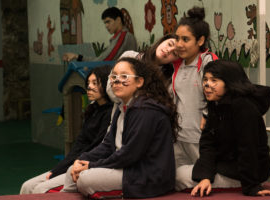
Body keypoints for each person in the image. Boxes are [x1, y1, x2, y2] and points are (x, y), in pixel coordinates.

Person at [61, 57, 179, 198]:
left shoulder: (145, 110)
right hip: (126, 167)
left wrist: (91, 165)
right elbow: (108, 145)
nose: (117, 81)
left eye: (124, 76)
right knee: (72, 170)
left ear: (139, 82)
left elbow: (129, 154)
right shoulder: (122, 106)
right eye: (114, 76)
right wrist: (82, 159)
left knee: (85, 179)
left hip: (146, 176)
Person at [184, 60, 270, 197]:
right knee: (181, 173)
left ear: (229, 83)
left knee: (180, 176)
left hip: (246, 174)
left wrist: (252, 187)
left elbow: (248, 149)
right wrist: (205, 177)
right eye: (205, 80)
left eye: (214, 80)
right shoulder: (217, 105)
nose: (207, 85)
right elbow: (208, 144)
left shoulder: (243, 107)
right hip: (226, 166)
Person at [20, 65, 113, 194]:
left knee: (40, 190)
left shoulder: (111, 113)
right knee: (27, 186)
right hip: (72, 164)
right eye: (88, 83)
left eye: (95, 83)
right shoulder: (93, 110)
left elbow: (95, 148)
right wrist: (57, 169)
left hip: (87, 167)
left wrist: (60, 170)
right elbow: (79, 145)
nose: (89, 87)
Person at [172, 6, 218, 189]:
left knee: (203, 182)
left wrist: (207, 115)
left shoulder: (207, 61)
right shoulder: (178, 65)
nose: (179, 44)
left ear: (200, 40)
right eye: (177, 38)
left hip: (200, 139)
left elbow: (217, 96)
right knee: (178, 184)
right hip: (179, 137)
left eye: (185, 39)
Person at [62, 7, 137, 62]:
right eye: (105, 23)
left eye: (108, 22)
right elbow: (101, 59)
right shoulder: (119, 37)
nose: (106, 26)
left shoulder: (123, 36)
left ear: (118, 20)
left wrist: (81, 59)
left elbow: (104, 60)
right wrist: (77, 56)